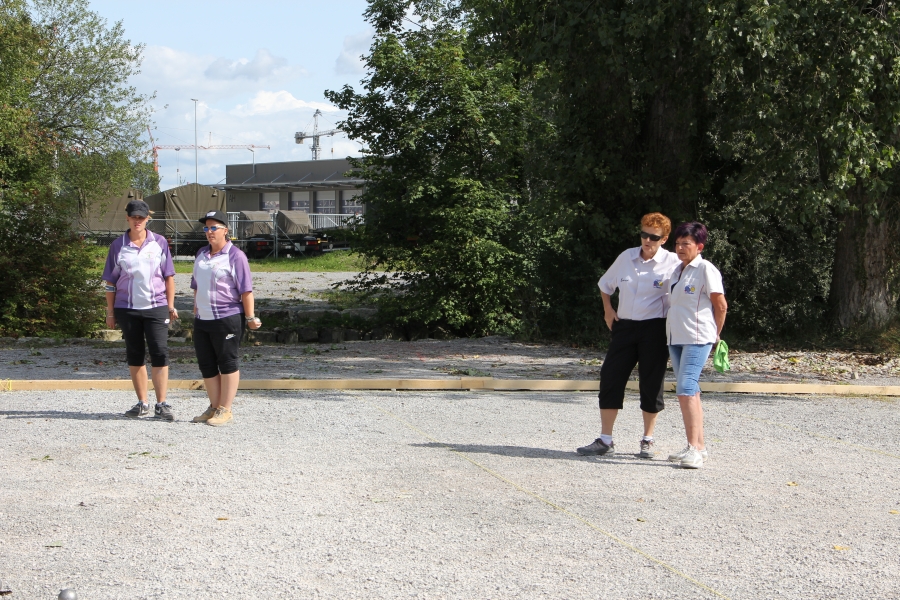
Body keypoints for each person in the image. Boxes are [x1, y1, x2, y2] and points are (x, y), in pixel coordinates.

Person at [577, 213, 681, 459]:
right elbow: (605, 285)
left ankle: (647, 439)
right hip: (624, 326)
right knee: (611, 376)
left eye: (653, 237)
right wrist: (608, 310)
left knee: (651, 382)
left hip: (655, 327)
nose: (647, 240)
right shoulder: (626, 257)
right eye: (644, 234)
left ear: (664, 239)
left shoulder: (674, 263)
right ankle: (605, 439)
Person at [101, 200, 178, 420]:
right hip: (127, 308)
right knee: (135, 354)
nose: (137, 221)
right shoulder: (118, 245)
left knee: (160, 353)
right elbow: (110, 282)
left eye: (141, 218)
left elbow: (169, 276)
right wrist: (110, 312)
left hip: (156, 307)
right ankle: (142, 402)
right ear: (127, 218)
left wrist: (170, 306)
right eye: (134, 217)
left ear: (147, 219)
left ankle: (162, 404)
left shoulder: (160, 242)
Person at [190, 210, 262, 427]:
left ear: (225, 230)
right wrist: (195, 307)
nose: (209, 232)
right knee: (207, 364)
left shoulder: (235, 256)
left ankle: (225, 408)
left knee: (227, 361)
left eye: (214, 228)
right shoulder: (201, 254)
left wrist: (250, 317)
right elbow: (196, 285)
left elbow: (246, 290)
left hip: (227, 316)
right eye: (206, 228)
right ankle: (213, 406)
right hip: (203, 317)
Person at [665, 222, 727, 469]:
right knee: (692, 391)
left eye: (686, 244)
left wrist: (715, 334)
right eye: (678, 243)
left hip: (698, 337)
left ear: (699, 246)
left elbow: (720, 305)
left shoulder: (705, 269)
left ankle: (694, 450)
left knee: (686, 388)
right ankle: (699, 446)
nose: (680, 248)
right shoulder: (678, 270)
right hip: (676, 337)